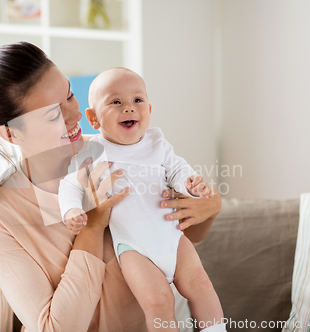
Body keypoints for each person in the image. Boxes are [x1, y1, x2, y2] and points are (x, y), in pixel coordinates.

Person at [0, 41, 223, 332]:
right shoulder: (1, 217)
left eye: (70, 96)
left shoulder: (117, 148)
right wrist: (91, 228)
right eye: (54, 115)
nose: (76, 116)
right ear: (11, 133)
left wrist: (210, 207)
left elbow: (180, 235)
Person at [58, 68, 226, 332]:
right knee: (158, 301)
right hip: (133, 248)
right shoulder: (92, 151)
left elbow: (177, 168)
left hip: (172, 237)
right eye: (116, 102)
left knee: (202, 286)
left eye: (137, 101)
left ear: (149, 108)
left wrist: (190, 183)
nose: (129, 109)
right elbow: (69, 185)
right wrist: (71, 210)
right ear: (94, 118)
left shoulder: (156, 142)